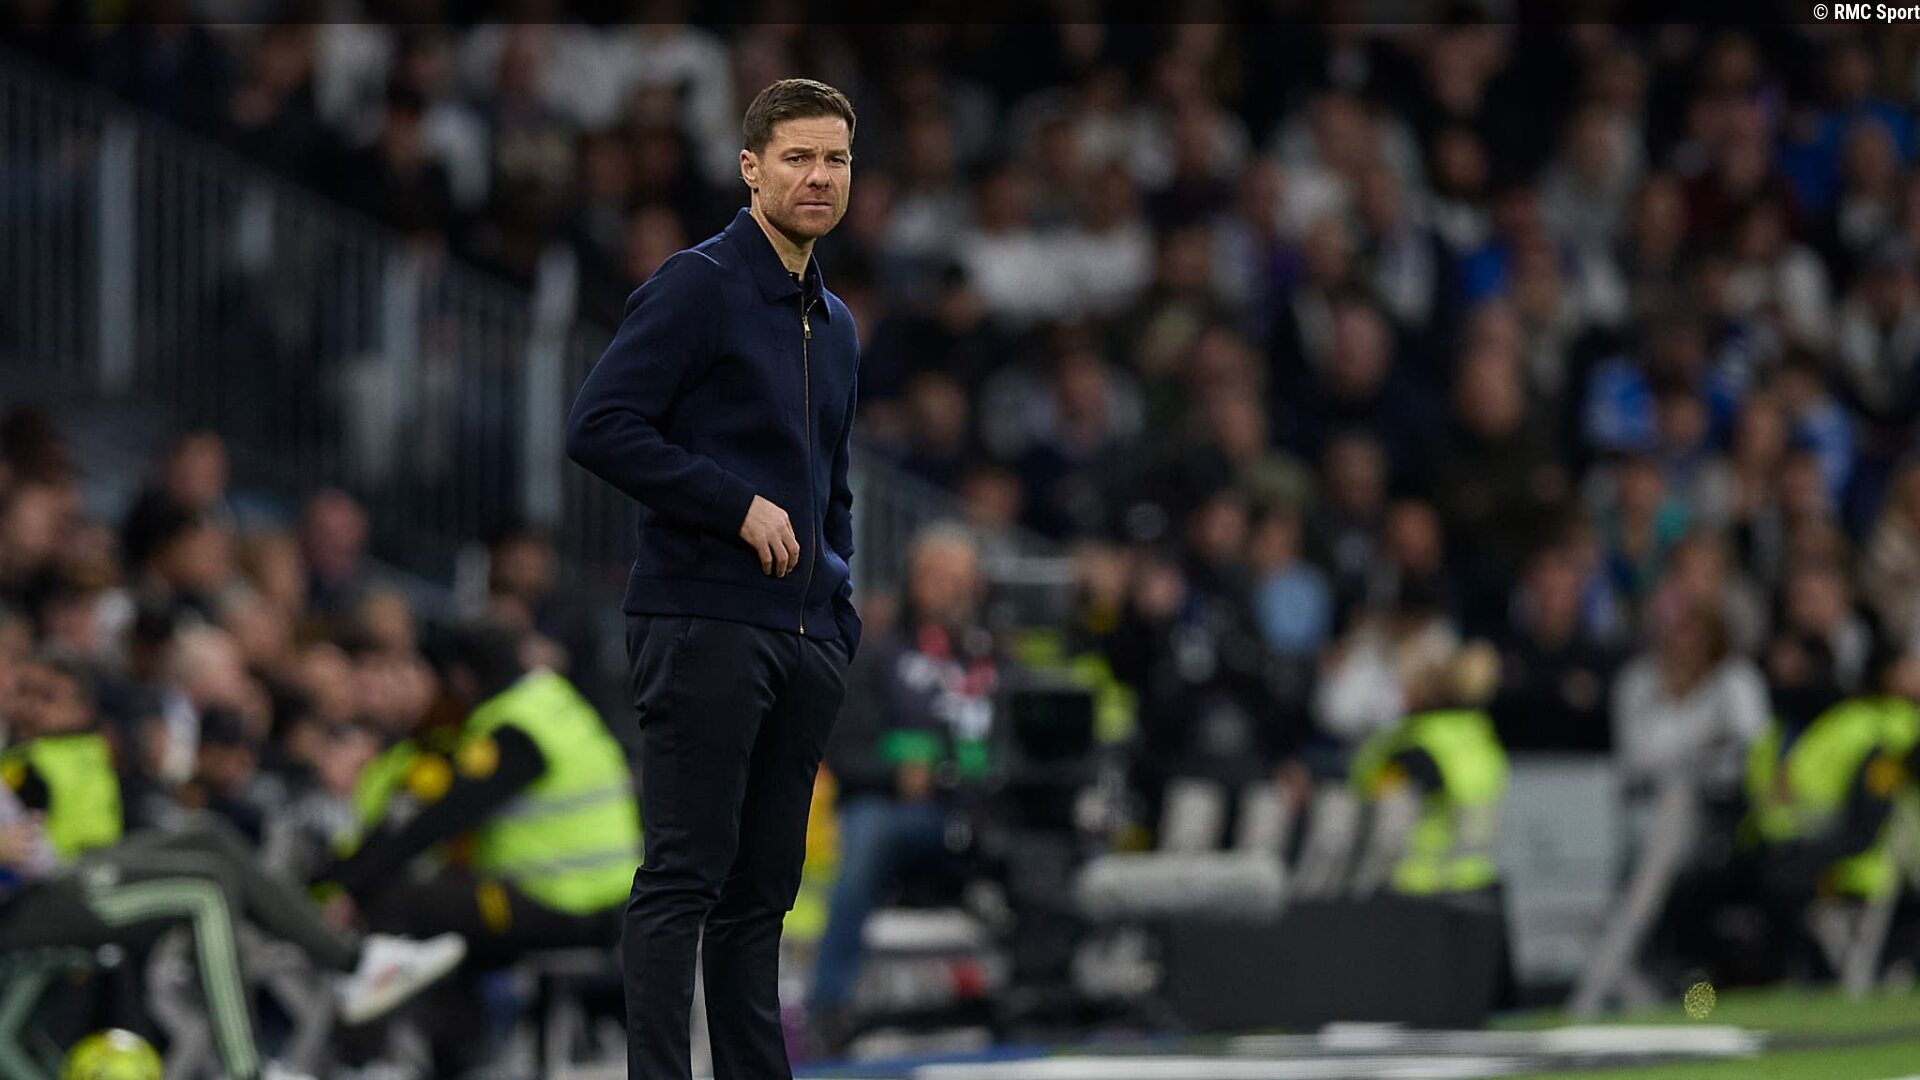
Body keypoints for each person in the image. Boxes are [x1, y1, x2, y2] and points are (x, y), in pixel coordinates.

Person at [563, 77, 862, 1080]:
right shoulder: (698, 283)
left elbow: (835, 487)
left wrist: (837, 609)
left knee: (760, 897)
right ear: (750, 169)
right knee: (684, 878)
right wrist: (734, 505)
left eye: (835, 159)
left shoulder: (837, 322)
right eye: (797, 157)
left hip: (803, 635)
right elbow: (600, 426)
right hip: (704, 617)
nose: (818, 177)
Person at [0, 785, 465, 1080]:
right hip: (21, 910)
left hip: (51, 874)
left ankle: (354, 964)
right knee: (205, 891)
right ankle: (244, 1069)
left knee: (209, 835)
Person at [316, 621, 639, 963]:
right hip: (607, 896)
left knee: (399, 899)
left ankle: (371, 990)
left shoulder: (514, 730)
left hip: (564, 904)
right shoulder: (550, 701)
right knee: (447, 895)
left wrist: (350, 883)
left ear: (462, 679)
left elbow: (439, 818)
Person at [808, 526, 997, 1052]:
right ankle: (829, 1007)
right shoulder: (879, 654)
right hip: (912, 819)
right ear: (913, 581)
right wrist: (902, 769)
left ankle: (1063, 991)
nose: (950, 588)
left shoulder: (995, 657)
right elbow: (847, 749)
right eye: (937, 576)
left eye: (960, 578)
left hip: (989, 812)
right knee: (869, 829)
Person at [1348, 640, 1510, 896]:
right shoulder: (1479, 735)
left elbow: (1374, 798)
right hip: (1475, 878)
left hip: (1420, 885)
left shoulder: (1417, 747)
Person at [1, 650, 123, 860]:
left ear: (82, 711)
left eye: (48, 698)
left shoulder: (25, 763)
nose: (31, 707)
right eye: (24, 692)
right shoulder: (98, 751)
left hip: (51, 876)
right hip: (104, 870)